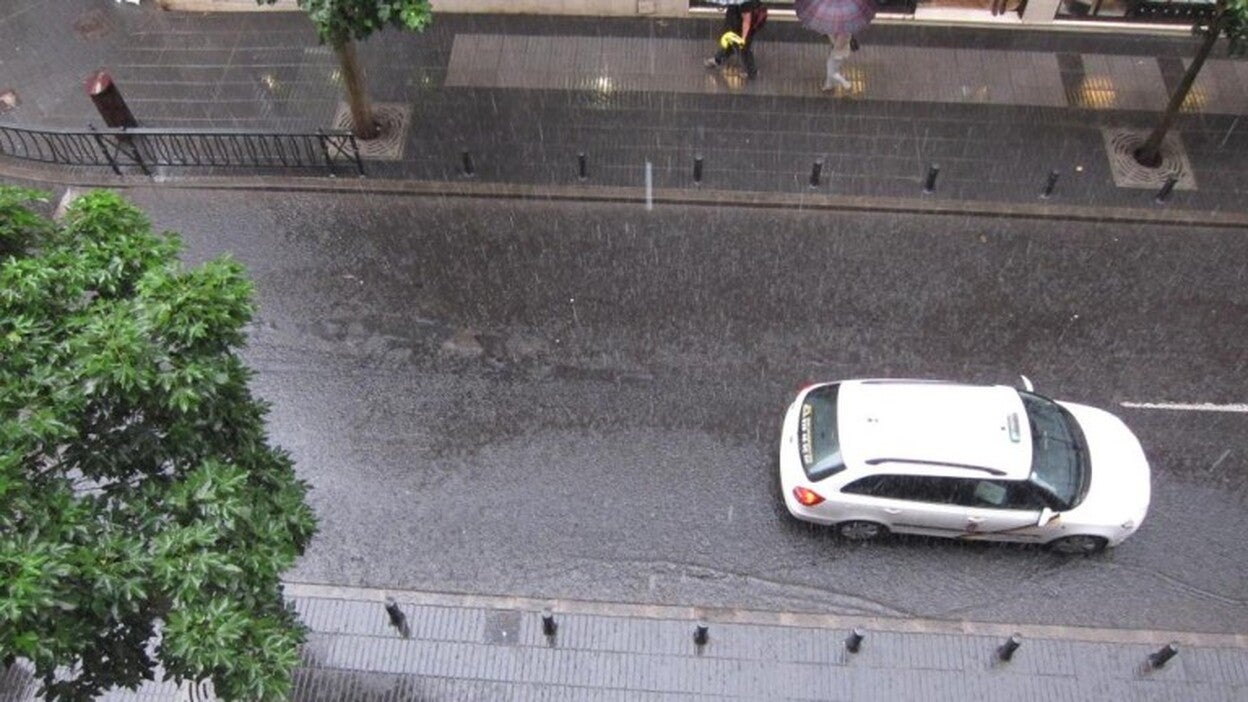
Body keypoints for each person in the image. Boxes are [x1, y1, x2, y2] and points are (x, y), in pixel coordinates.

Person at [704, 1, 766, 80]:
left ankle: (752, 72)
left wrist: (743, 39)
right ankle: (718, 59)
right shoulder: (735, 3)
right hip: (738, 20)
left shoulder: (745, 3)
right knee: (732, 42)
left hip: (747, 23)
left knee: (744, 48)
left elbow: (747, 21)